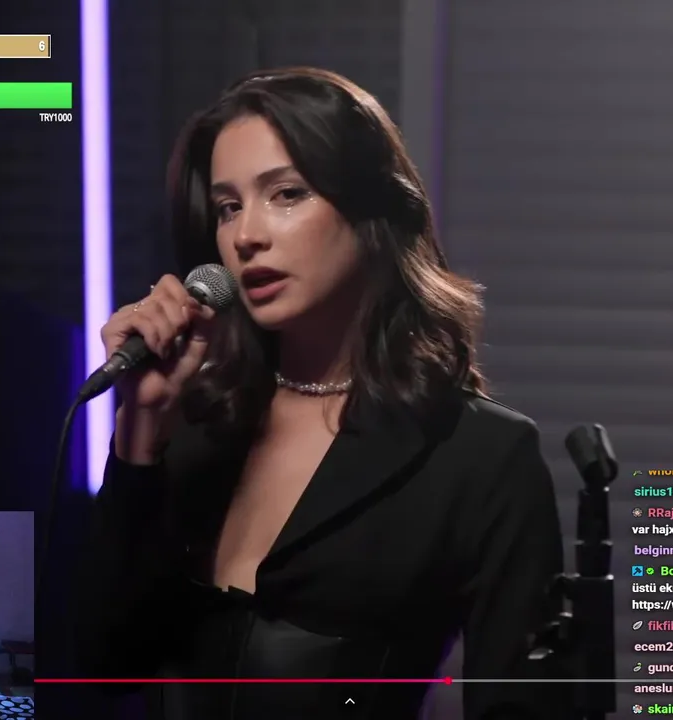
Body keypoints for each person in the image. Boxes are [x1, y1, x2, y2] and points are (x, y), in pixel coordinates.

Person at [78, 66, 569, 719]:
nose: (246, 235)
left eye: (286, 194)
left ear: (370, 209)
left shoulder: (480, 456)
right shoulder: (197, 422)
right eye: (228, 207)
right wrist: (140, 434)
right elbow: (101, 668)